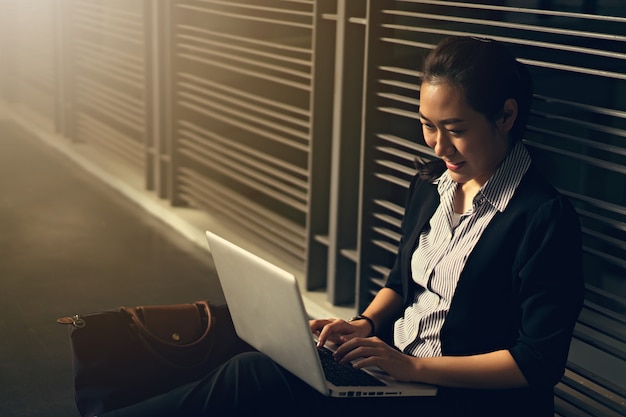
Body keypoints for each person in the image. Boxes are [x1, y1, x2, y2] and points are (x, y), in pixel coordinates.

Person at [100, 36, 584, 417]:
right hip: (397, 375)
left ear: (506, 115)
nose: (438, 146)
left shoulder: (542, 218)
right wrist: (362, 326)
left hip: (457, 398)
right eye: (427, 125)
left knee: (259, 381)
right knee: (259, 368)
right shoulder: (433, 185)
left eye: (454, 129)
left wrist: (411, 366)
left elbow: (537, 362)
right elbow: (402, 282)